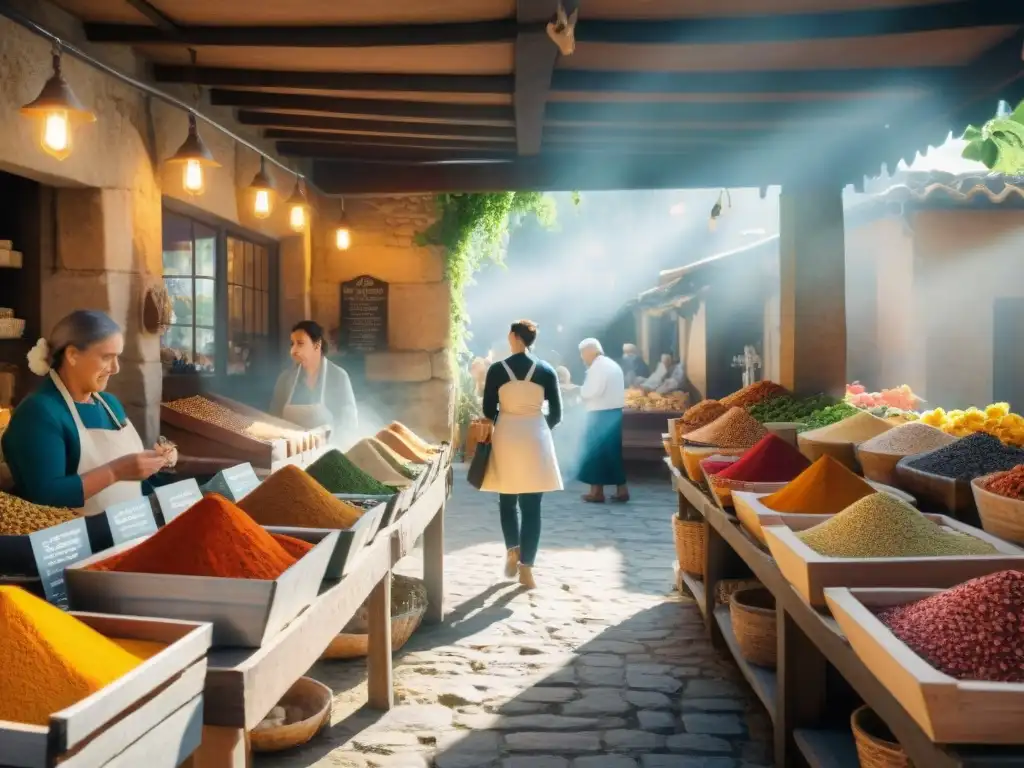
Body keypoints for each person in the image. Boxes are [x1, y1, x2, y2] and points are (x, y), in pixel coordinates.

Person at [2, 311, 171, 513]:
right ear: (72, 355)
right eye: (107, 357)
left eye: (117, 357)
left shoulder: (110, 404)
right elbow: (45, 495)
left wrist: (154, 463)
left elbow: (133, 481)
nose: (115, 368)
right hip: (75, 539)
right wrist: (116, 471)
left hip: (130, 529)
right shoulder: (38, 412)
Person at [479, 320, 563, 589]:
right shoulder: (547, 370)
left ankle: (512, 550)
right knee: (532, 506)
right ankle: (527, 568)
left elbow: (488, 410)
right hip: (536, 435)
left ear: (514, 337)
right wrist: (537, 427)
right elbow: (557, 414)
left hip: (506, 435)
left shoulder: (496, 370)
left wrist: (508, 420)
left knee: (507, 499)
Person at [271, 321, 358, 446]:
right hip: (291, 456)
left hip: (328, 454)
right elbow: (274, 419)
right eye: (292, 344)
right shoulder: (285, 379)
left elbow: (349, 424)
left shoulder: (338, 377)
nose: (293, 351)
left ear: (317, 345)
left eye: (300, 344)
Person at [577, 338, 629, 503]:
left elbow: (593, 391)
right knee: (612, 454)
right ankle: (622, 490)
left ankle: (596, 492)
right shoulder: (611, 365)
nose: (582, 358)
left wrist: (579, 392)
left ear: (588, 351)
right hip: (613, 413)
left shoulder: (598, 367)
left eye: (582, 354)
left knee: (595, 454)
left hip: (599, 414)